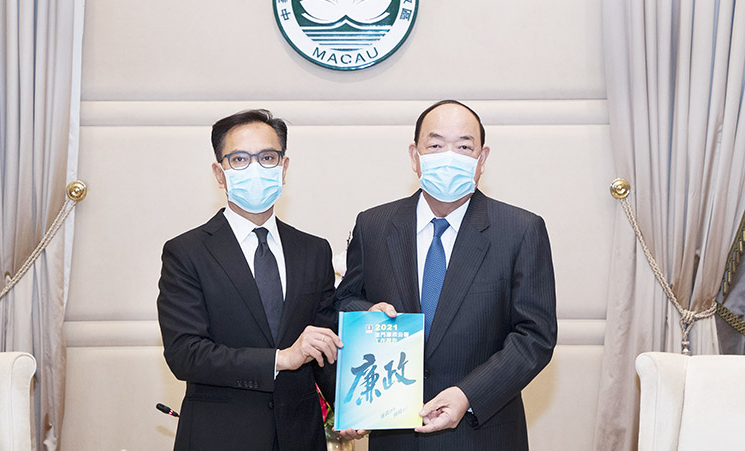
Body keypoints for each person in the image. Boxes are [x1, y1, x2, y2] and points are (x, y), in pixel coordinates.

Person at [335, 100, 557, 450]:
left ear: (482, 159)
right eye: (436, 145)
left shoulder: (520, 230)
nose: (449, 157)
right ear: (415, 156)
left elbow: (535, 336)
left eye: (464, 147)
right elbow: (345, 300)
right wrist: (367, 314)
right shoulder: (374, 225)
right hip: (395, 436)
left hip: (483, 434)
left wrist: (468, 394)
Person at [157, 109, 342, 451]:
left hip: (300, 436)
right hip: (220, 437)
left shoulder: (314, 250)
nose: (255, 168)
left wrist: (351, 409)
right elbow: (185, 354)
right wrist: (279, 359)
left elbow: (324, 346)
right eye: (240, 159)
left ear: (283, 167)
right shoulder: (186, 252)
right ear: (220, 173)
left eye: (267, 157)